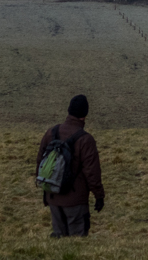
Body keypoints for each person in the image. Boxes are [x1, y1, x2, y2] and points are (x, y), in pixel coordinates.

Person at [36, 94, 105, 237]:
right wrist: (99, 196)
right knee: (77, 243)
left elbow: (40, 163)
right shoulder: (85, 140)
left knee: (59, 240)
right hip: (75, 201)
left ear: (69, 111)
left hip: (53, 196)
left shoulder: (51, 133)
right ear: (85, 115)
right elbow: (92, 172)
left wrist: (45, 190)